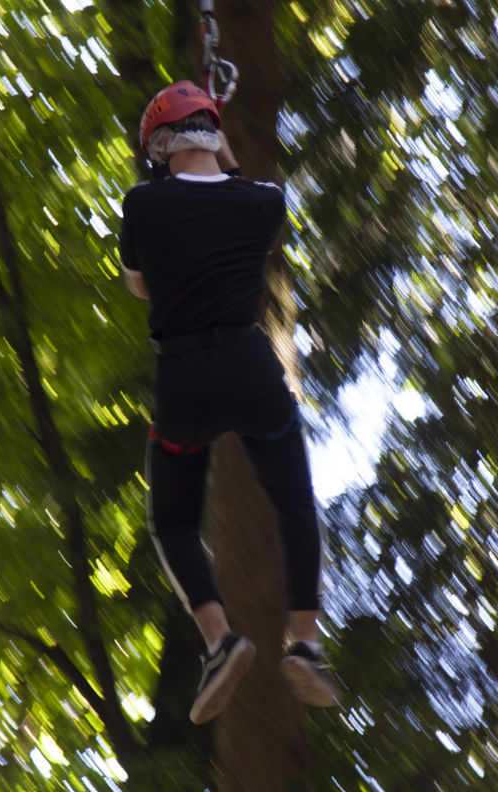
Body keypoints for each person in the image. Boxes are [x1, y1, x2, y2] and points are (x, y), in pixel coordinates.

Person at [119, 81, 339, 724]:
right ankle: (306, 640)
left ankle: (220, 640)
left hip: (183, 378)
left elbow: (141, 288)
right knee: (294, 501)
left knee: (175, 522)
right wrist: (221, 131)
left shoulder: (143, 205)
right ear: (216, 136)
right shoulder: (264, 204)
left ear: (160, 147)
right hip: (251, 370)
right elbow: (238, 179)